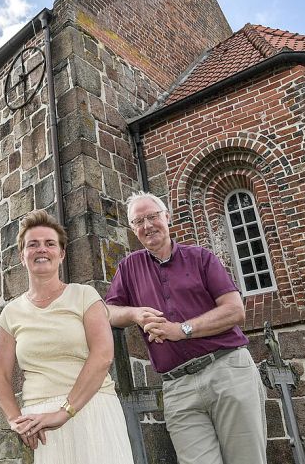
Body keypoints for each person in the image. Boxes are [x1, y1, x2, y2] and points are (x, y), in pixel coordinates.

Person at [105, 191, 266, 464]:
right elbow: (108, 311)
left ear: (166, 217)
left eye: (152, 217)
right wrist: (135, 314)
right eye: (138, 221)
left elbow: (235, 310)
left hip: (226, 369)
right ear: (132, 229)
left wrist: (181, 330)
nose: (147, 226)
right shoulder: (129, 268)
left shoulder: (201, 258)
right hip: (177, 385)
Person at [0, 210, 134, 464]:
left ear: (61, 253)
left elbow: (102, 356)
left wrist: (65, 412)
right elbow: (0, 375)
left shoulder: (84, 296)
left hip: (92, 410)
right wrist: (15, 419)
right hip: (38, 422)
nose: (41, 250)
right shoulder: (11, 313)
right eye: (32, 244)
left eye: (49, 244)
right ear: (21, 256)